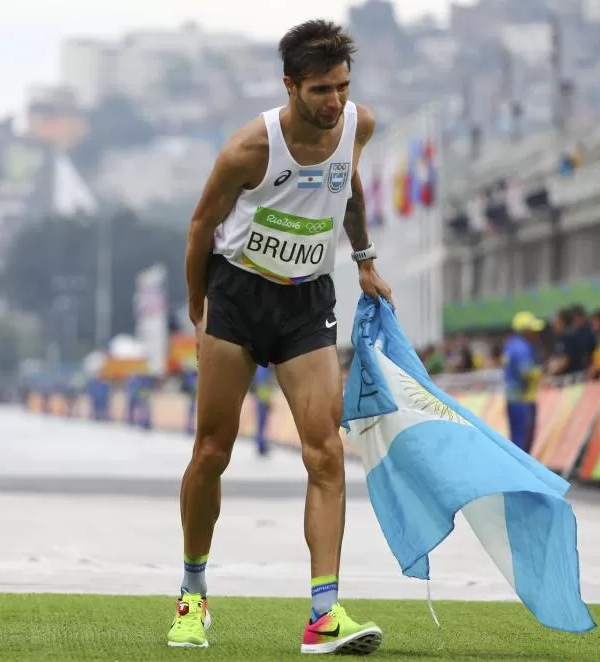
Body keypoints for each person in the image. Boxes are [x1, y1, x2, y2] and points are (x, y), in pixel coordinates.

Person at [169, 19, 392, 655]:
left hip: (307, 301)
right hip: (237, 296)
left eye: (343, 87)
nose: (336, 102)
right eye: (321, 90)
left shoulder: (358, 126)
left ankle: (324, 614)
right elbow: (199, 229)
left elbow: (349, 189)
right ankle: (192, 596)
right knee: (213, 450)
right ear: (290, 85)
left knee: (324, 453)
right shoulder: (249, 148)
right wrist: (197, 305)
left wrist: (365, 258)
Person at [503, 312, 544, 453]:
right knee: (523, 441)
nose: (536, 334)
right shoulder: (522, 347)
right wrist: (541, 372)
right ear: (525, 331)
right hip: (524, 400)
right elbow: (525, 373)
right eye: (533, 330)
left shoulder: (510, 345)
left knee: (516, 438)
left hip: (512, 399)